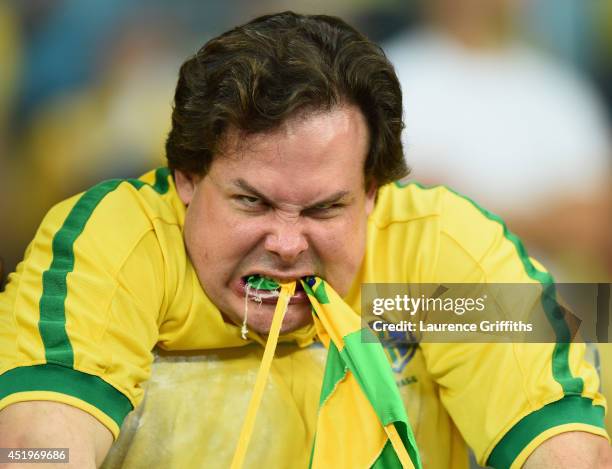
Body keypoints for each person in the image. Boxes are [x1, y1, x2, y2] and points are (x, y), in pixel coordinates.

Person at [0, 11, 610, 469]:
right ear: (187, 178)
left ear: (371, 194)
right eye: (252, 201)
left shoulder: (433, 260)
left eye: (324, 208)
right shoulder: (122, 245)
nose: (288, 244)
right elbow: (34, 455)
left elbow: (563, 444)